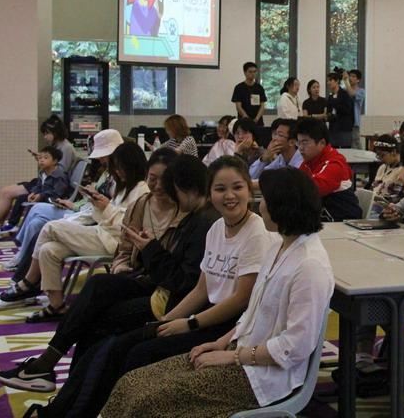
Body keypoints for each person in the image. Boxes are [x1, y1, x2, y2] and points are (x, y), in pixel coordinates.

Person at [0, 157, 271, 415]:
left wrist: (186, 323)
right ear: (209, 191)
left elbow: (237, 299)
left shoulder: (248, 232)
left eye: (237, 187)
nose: (229, 196)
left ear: (250, 190)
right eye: (220, 189)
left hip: (219, 325)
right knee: (104, 332)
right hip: (185, 309)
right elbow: (201, 288)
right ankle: (61, 405)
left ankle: (67, 404)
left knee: (121, 349)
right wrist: (167, 321)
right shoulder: (215, 228)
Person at [101, 168, 333, 418]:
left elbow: (294, 347)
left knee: (148, 400)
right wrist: (220, 343)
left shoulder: (309, 266)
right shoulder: (280, 245)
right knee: (130, 383)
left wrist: (233, 357)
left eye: (265, 199)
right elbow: (252, 315)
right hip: (242, 354)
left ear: (282, 206)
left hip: (263, 378)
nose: (260, 206)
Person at [0, 142, 150, 320]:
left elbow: (128, 227)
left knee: (51, 226)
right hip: (102, 234)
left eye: (120, 167)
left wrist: (107, 207)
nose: (118, 172)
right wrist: (98, 205)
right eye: (116, 168)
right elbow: (105, 218)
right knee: (48, 250)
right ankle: (56, 306)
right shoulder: (123, 188)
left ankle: (29, 280)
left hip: (114, 243)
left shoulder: (141, 190)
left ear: (132, 166)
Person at [0, 129, 123, 303]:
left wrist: (87, 205)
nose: (100, 159)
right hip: (89, 217)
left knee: (43, 220)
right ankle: (48, 298)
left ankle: (26, 279)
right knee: (39, 227)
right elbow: (100, 206)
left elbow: (118, 217)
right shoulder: (108, 174)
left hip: (100, 229)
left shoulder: (127, 182)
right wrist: (79, 203)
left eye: (103, 155)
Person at [0, 146, 70, 241]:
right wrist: (34, 193)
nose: (41, 160)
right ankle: (11, 224)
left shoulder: (59, 175)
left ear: (55, 161)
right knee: (21, 198)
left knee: (20, 197)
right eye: (40, 158)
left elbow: (57, 193)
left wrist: (41, 195)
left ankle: (10, 225)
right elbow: (39, 185)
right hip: (42, 195)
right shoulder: (43, 172)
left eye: (45, 158)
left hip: (52, 200)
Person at [297, 117, 361, 222]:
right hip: (325, 219)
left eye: (305, 142)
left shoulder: (335, 164)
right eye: (298, 143)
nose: (300, 148)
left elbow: (312, 189)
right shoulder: (309, 161)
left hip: (343, 222)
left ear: (322, 143)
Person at [367, 135, 404, 218]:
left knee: (369, 214)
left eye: (382, 155)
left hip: (387, 208)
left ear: (393, 152)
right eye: (378, 155)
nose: (380, 159)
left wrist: (377, 200)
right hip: (374, 204)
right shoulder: (382, 167)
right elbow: (373, 188)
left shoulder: (403, 170)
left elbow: (398, 197)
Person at [326, 72, 355, 148]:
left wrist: (334, 102)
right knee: (333, 150)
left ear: (337, 81)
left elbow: (347, 110)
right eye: (327, 81)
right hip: (333, 129)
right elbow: (329, 110)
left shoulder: (344, 94)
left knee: (346, 151)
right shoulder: (330, 96)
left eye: (330, 80)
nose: (328, 83)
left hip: (344, 129)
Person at [345, 69, 366, 149]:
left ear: (358, 80)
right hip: (345, 121)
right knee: (347, 144)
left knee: (356, 142)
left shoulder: (361, 91)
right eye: (350, 76)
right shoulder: (344, 90)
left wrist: (346, 81)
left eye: (353, 76)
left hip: (354, 122)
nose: (350, 78)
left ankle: (362, 156)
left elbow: (352, 94)